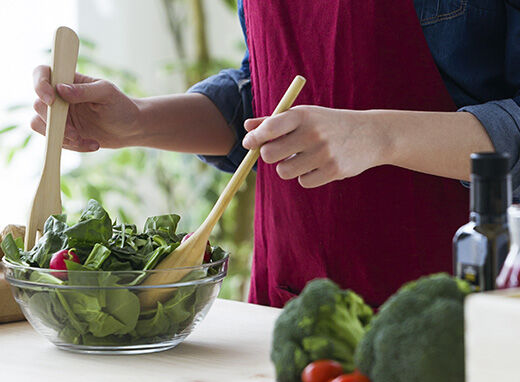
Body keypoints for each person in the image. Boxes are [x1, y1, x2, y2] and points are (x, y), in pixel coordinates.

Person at [32, 0, 520, 309]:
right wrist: (137, 121)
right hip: (287, 310)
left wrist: (379, 136)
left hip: (466, 319)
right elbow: (263, 94)